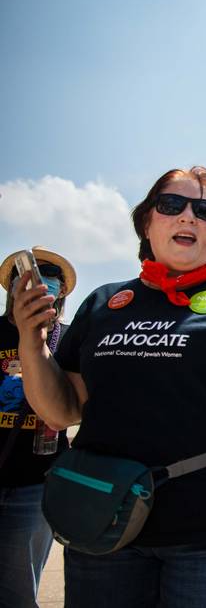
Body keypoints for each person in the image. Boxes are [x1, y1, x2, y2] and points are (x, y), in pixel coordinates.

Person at [10, 166, 206, 608]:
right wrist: (31, 339)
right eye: (172, 205)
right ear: (147, 221)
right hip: (103, 522)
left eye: (205, 210)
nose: (188, 217)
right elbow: (61, 412)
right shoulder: (103, 302)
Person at [0, 247, 76, 608]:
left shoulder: (72, 339)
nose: (37, 285)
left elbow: (80, 409)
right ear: (12, 290)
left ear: (59, 292)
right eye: (27, 278)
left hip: (37, 484)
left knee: (17, 592)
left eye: (49, 279)